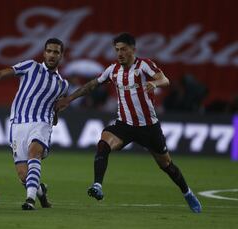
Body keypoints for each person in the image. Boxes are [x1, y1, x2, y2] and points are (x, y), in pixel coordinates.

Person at [55, 33, 202, 213]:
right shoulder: (113, 70)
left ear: (133, 49)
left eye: (123, 49)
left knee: (166, 165)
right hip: (124, 125)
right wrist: (69, 99)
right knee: (103, 144)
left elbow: (165, 79)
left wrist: (155, 84)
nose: (119, 53)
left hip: (148, 127)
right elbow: (92, 85)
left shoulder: (144, 65)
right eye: (117, 50)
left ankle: (187, 193)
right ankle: (97, 185)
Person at [0, 38, 69, 210]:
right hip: (18, 123)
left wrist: (54, 118)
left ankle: (29, 200)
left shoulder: (62, 85)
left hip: (41, 123)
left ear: (61, 55)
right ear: (44, 52)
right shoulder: (31, 66)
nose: (52, 55)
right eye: (49, 51)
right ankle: (41, 193)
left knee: (34, 153)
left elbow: (56, 109)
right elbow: (3, 73)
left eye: (56, 52)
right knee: (24, 175)